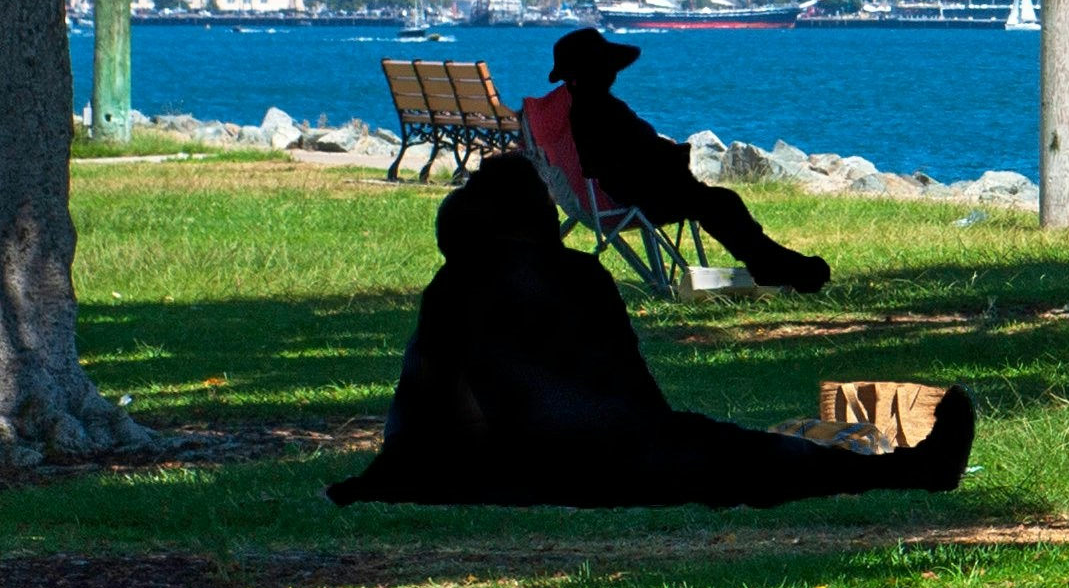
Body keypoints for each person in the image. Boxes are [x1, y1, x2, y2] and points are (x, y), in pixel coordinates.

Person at [330, 156, 974, 508]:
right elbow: (631, 400)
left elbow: (425, 420)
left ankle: (908, 471)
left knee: (732, 455)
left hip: (565, 456)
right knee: (743, 458)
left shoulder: (456, 288)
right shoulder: (579, 277)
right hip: (581, 459)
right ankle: (911, 472)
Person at [546, 26, 831, 294]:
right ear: (588, 73)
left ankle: (776, 264)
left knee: (721, 202)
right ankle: (778, 266)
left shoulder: (591, 108)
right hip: (644, 193)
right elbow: (613, 161)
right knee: (721, 203)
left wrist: (663, 155)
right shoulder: (598, 111)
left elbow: (621, 154)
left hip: (644, 188)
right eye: (605, 67)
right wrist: (670, 156)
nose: (613, 73)